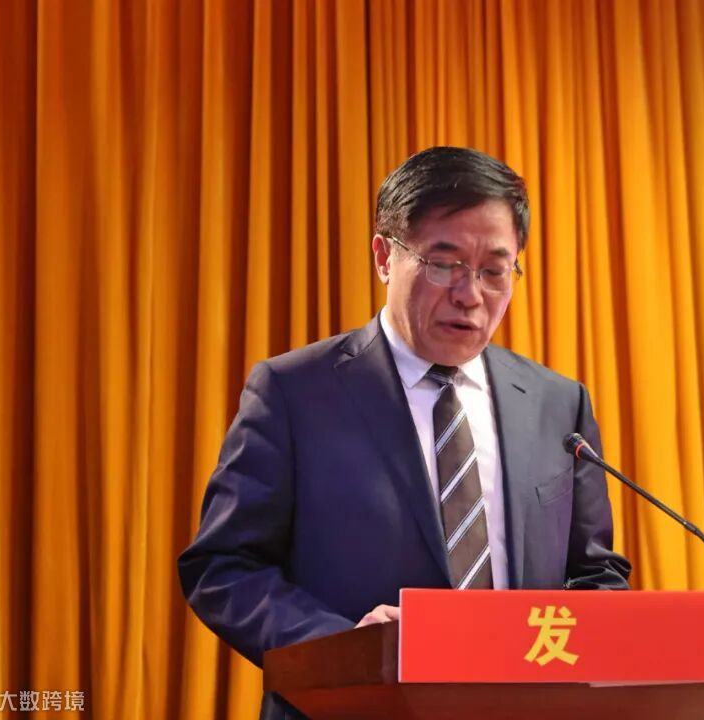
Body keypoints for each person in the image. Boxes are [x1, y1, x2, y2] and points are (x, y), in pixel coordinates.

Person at [178, 146, 631, 719]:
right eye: (444, 264)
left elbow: (595, 572)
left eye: (494, 271)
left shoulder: (557, 403)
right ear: (384, 257)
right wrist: (345, 647)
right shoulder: (294, 392)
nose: (470, 295)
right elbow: (224, 567)